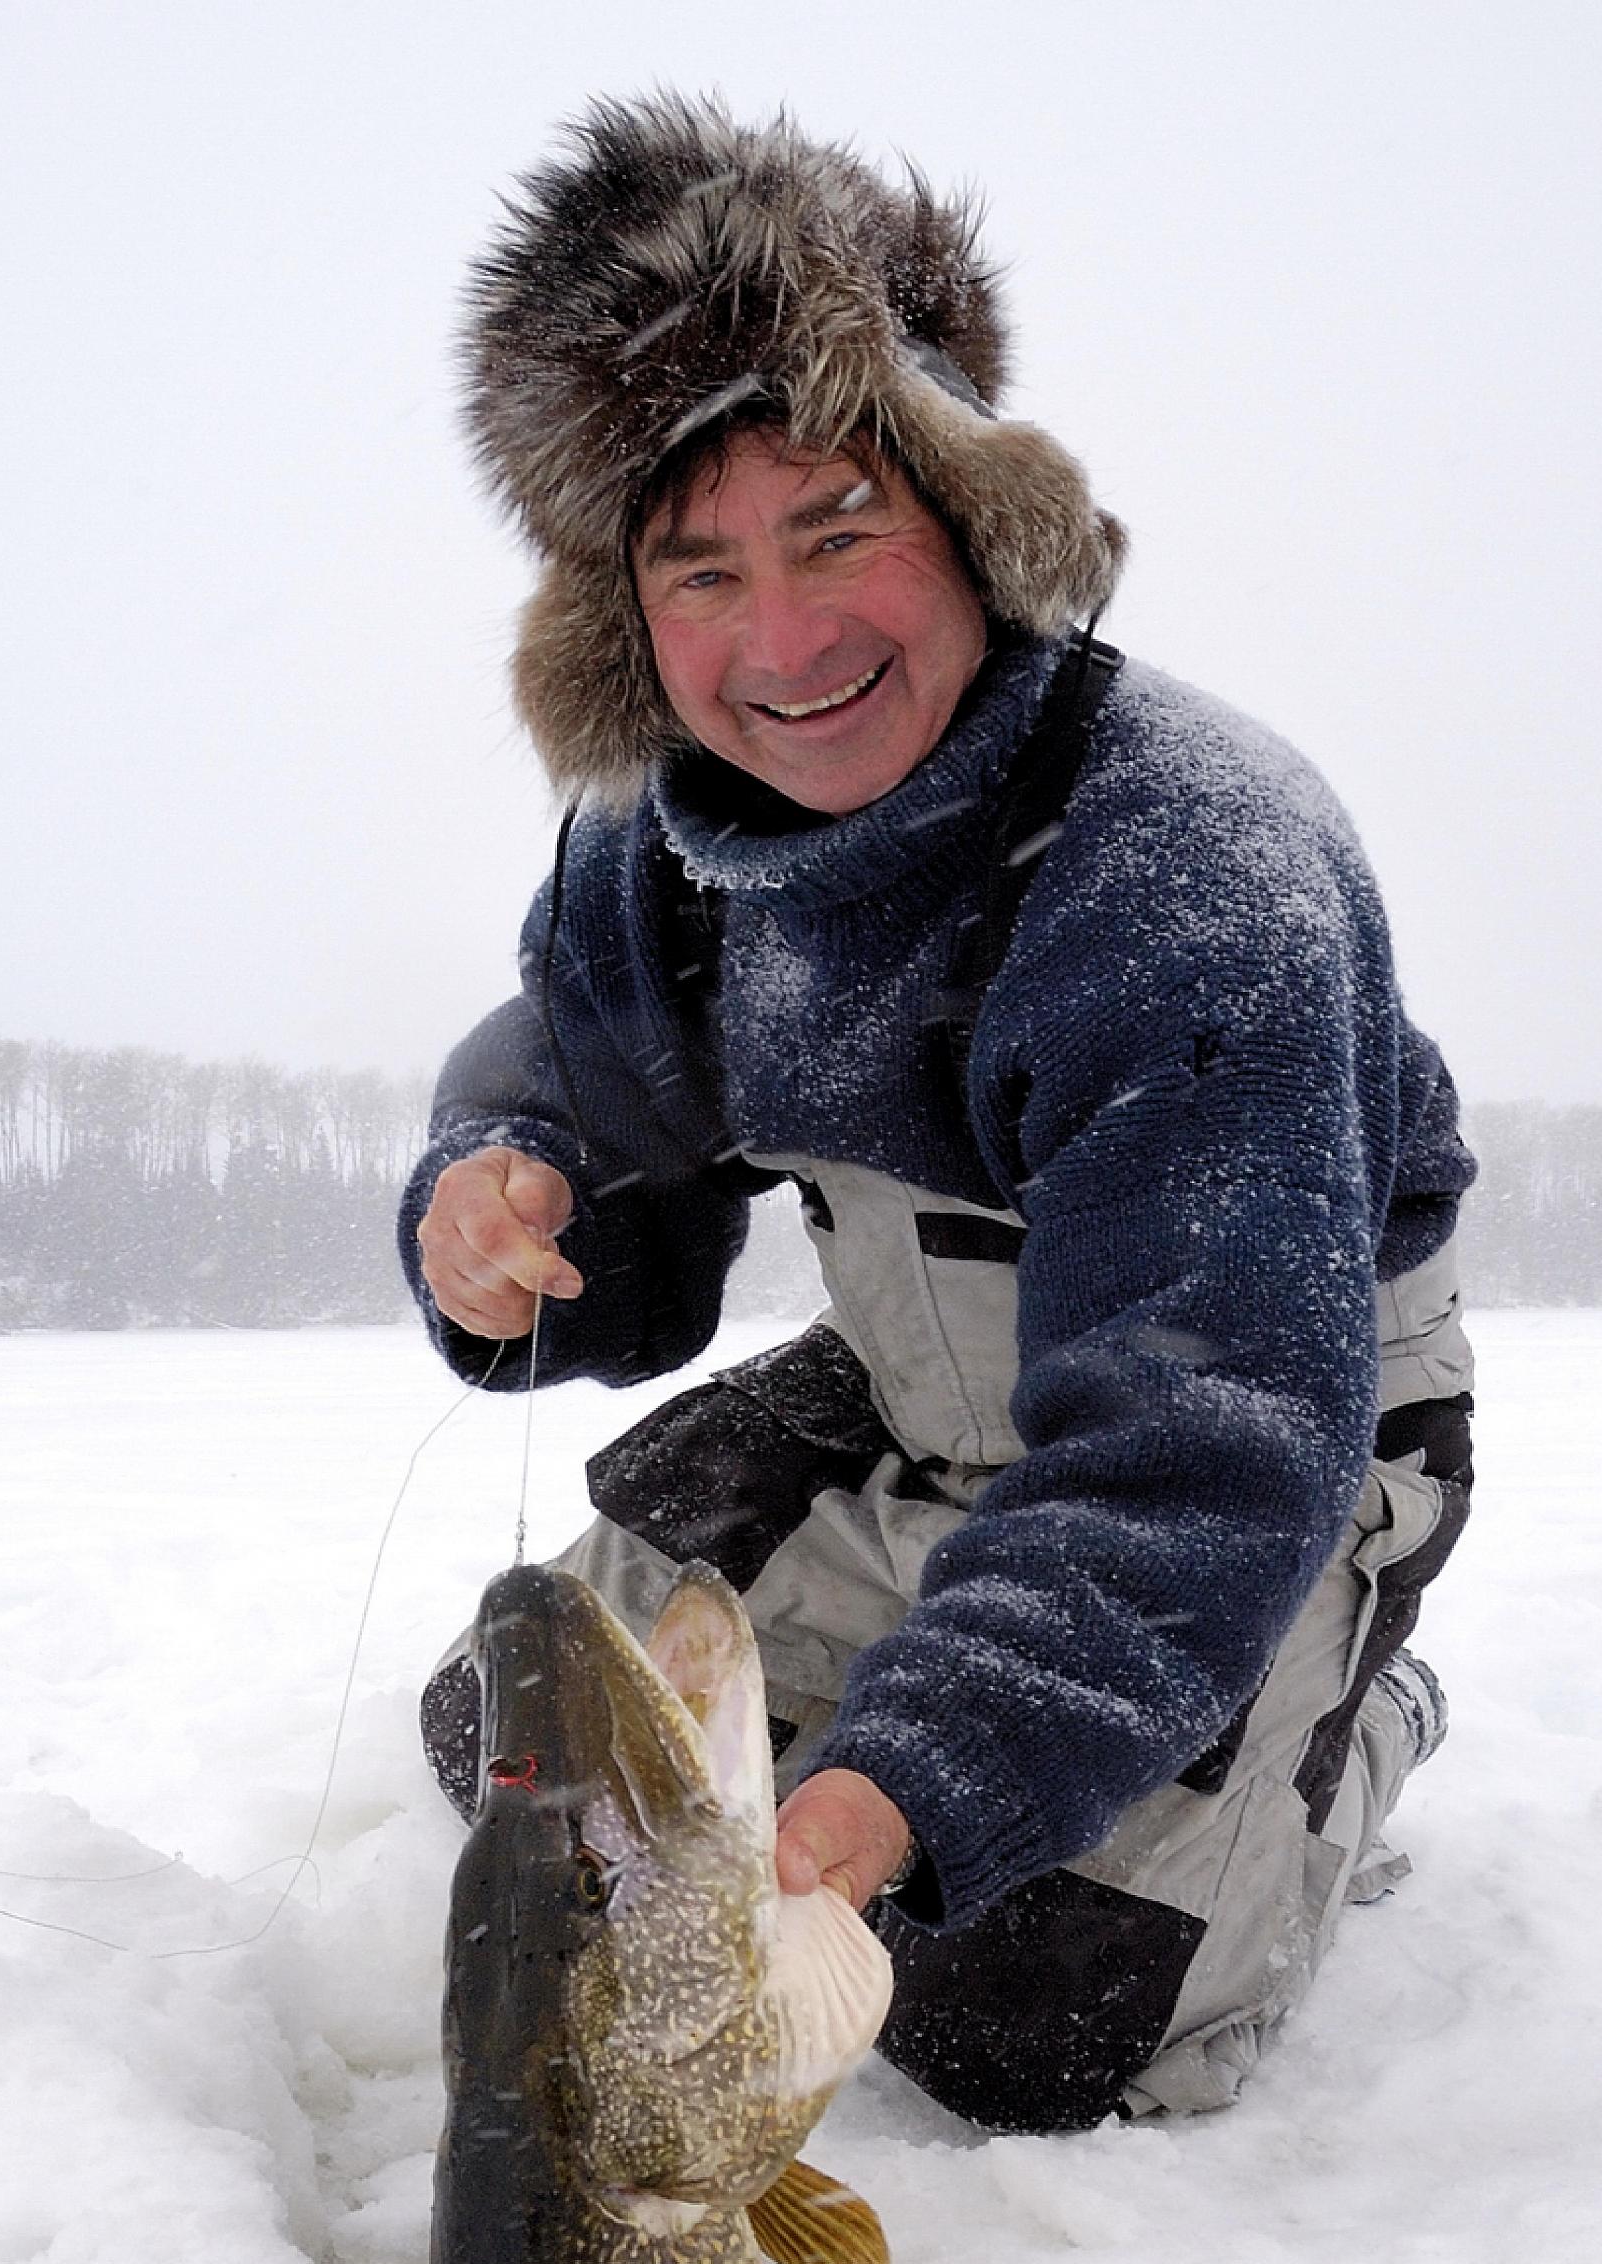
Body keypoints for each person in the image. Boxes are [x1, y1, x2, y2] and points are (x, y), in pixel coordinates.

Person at [399, 95, 1477, 2133]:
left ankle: (1363, 1714)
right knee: (517, 1748)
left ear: (976, 518)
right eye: (698, 569)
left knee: (1032, 2020)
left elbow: (1192, 1446)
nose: (783, 646)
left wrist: (912, 1784)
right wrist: (500, 1190)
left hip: (1268, 1426)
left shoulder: (1194, 873)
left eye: (837, 535)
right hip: (921, 1393)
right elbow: (570, 1076)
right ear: (625, 622)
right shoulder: (660, 853)